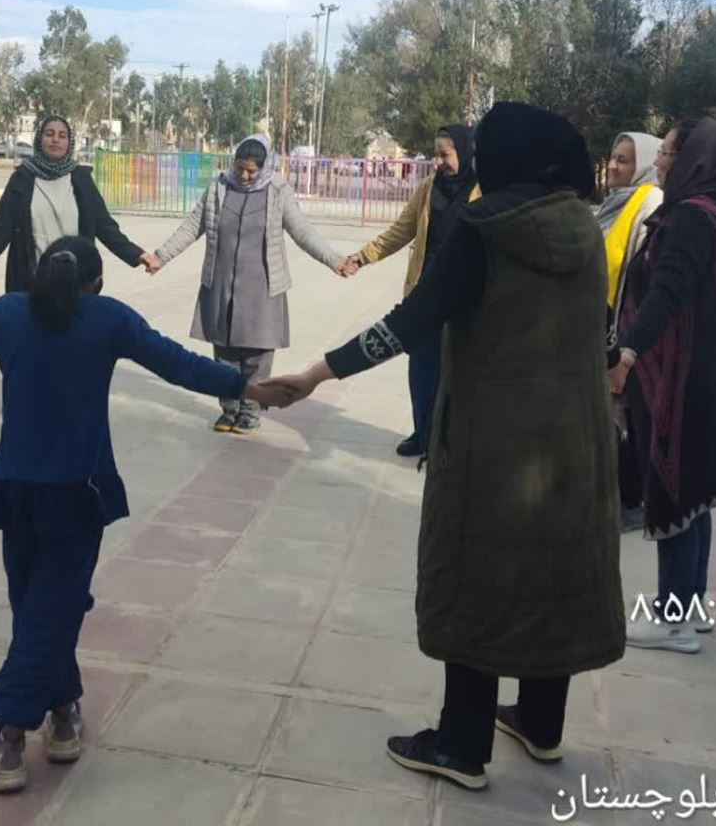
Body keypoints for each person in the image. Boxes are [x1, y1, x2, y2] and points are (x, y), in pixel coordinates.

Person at [262, 102, 624, 792]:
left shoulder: (485, 229)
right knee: (552, 574)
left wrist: (317, 373)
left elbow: (414, 319)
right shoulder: (582, 226)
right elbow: (604, 330)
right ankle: (541, 723)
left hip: (494, 448)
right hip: (573, 447)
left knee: (476, 577)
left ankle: (461, 743)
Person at [0, 235, 289, 792]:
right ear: (96, 285)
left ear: (38, 275)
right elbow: (177, 364)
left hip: (16, 489)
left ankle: (63, 713)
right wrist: (247, 385)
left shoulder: (6, 314)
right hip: (76, 492)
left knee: (38, 606)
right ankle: (11, 735)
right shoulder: (108, 319)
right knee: (48, 611)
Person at [610, 118, 716, 654]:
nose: (661, 163)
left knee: (671, 494)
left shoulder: (691, 218)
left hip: (681, 381)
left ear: (696, 159)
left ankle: (672, 620)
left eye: (670, 153)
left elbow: (666, 293)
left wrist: (627, 353)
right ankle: (690, 606)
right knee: (696, 499)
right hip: (711, 374)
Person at [149, 135, 348, 433]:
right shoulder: (218, 188)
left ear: (264, 167)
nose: (244, 176)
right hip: (222, 284)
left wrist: (334, 259)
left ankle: (251, 410)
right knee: (224, 352)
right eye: (240, 168)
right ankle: (229, 409)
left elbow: (303, 231)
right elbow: (191, 226)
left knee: (257, 354)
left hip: (262, 287)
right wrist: (161, 256)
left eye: (251, 171)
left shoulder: (278, 191)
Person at [340, 124, 478, 457]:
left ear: (465, 152)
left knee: (457, 374)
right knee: (421, 370)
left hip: (464, 300)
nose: (438, 162)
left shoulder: (482, 190)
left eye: (445, 155)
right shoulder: (429, 187)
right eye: (436, 154)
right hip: (424, 294)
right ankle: (423, 434)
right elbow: (401, 231)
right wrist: (363, 256)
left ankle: (451, 442)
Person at [0, 115, 156, 292]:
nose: (55, 140)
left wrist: (137, 254)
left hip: (77, 283)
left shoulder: (81, 179)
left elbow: (105, 226)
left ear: (69, 142)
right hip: (31, 281)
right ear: (40, 139)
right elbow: (1, 228)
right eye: (49, 134)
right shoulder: (22, 178)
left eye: (62, 136)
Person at [597, 132, 664, 533]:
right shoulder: (614, 203)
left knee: (626, 420)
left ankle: (630, 501)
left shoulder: (650, 203)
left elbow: (642, 277)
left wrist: (626, 344)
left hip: (626, 332)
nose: (612, 166)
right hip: (602, 327)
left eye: (623, 160)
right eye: (612, 157)